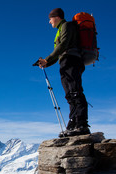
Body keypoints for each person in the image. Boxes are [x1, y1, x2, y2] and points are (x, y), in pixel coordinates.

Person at [36, 8, 90, 137]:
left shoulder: (67, 26)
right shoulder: (60, 29)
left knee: (75, 91)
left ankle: (81, 124)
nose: (49, 22)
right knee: (69, 94)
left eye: (50, 18)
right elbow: (60, 52)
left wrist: (47, 59)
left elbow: (63, 45)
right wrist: (46, 63)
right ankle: (73, 123)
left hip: (72, 61)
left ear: (57, 17)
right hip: (65, 62)